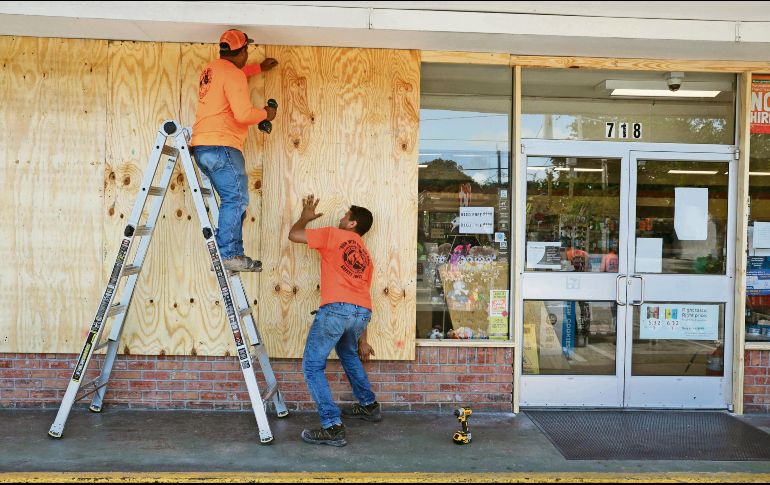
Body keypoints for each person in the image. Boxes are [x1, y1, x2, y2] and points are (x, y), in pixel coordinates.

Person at [288, 195, 379, 447]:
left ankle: (332, 426)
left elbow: (294, 235)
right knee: (348, 354)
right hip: (362, 312)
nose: (340, 218)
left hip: (336, 310)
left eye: (345, 216)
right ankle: (369, 405)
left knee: (312, 366)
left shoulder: (333, 235)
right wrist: (364, 338)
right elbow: (362, 296)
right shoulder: (365, 255)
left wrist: (305, 218)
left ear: (352, 224)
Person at [190, 29, 279, 272]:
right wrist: (267, 114)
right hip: (223, 147)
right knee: (236, 199)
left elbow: (233, 75)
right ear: (243, 51)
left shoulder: (211, 70)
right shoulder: (233, 75)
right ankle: (228, 254)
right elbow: (243, 114)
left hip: (202, 147)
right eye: (247, 51)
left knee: (232, 200)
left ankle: (229, 252)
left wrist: (258, 68)